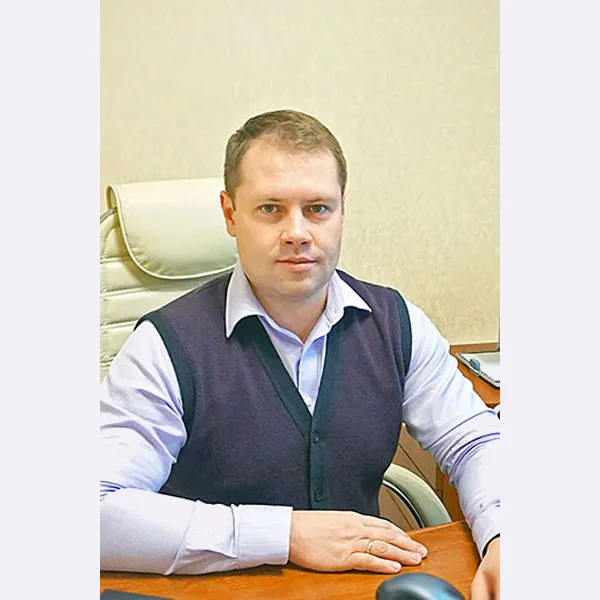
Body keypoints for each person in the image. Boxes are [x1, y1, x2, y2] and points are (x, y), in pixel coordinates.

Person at [100, 109, 500, 598]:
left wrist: (505, 533)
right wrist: (284, 535)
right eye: (270, 208)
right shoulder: (164, 345)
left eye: (317, 208)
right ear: (230, 214)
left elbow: (475, 442)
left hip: (357, 591)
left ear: (342, 211)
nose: (297, 232)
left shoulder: (396, 324)